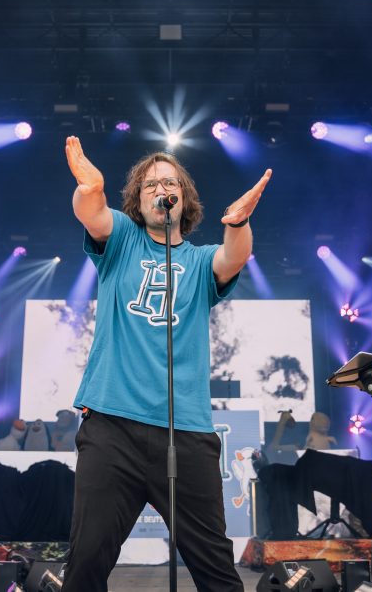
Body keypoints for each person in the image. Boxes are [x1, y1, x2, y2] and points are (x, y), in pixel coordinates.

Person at [62, 135, 272, 591]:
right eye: (151, 184)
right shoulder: (123, 239)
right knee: (85, 563)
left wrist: (238, 222)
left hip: (186, 433)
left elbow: (233, 257)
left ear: (184, 198)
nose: (161, 189)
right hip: (112, 428)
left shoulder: (199, 261)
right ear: (139, 201)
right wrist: (90, 189)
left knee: (217, 572)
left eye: (170, 183)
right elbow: (92, 214)